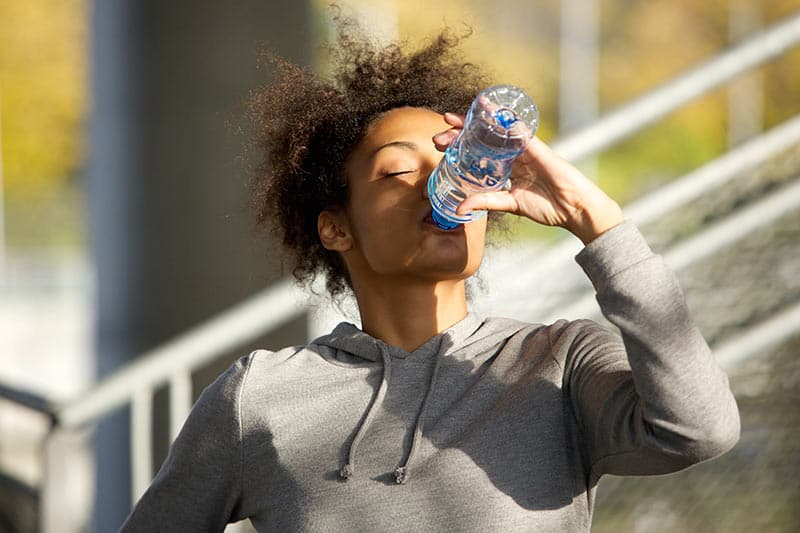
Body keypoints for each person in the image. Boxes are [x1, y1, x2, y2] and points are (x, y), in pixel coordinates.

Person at [121, 19, 740, 533]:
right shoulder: (258, 395)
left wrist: (597, 223)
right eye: (397, 172)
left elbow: (699, 431)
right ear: (336, 228)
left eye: (456, 163)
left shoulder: (558, 362)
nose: (439, 184)